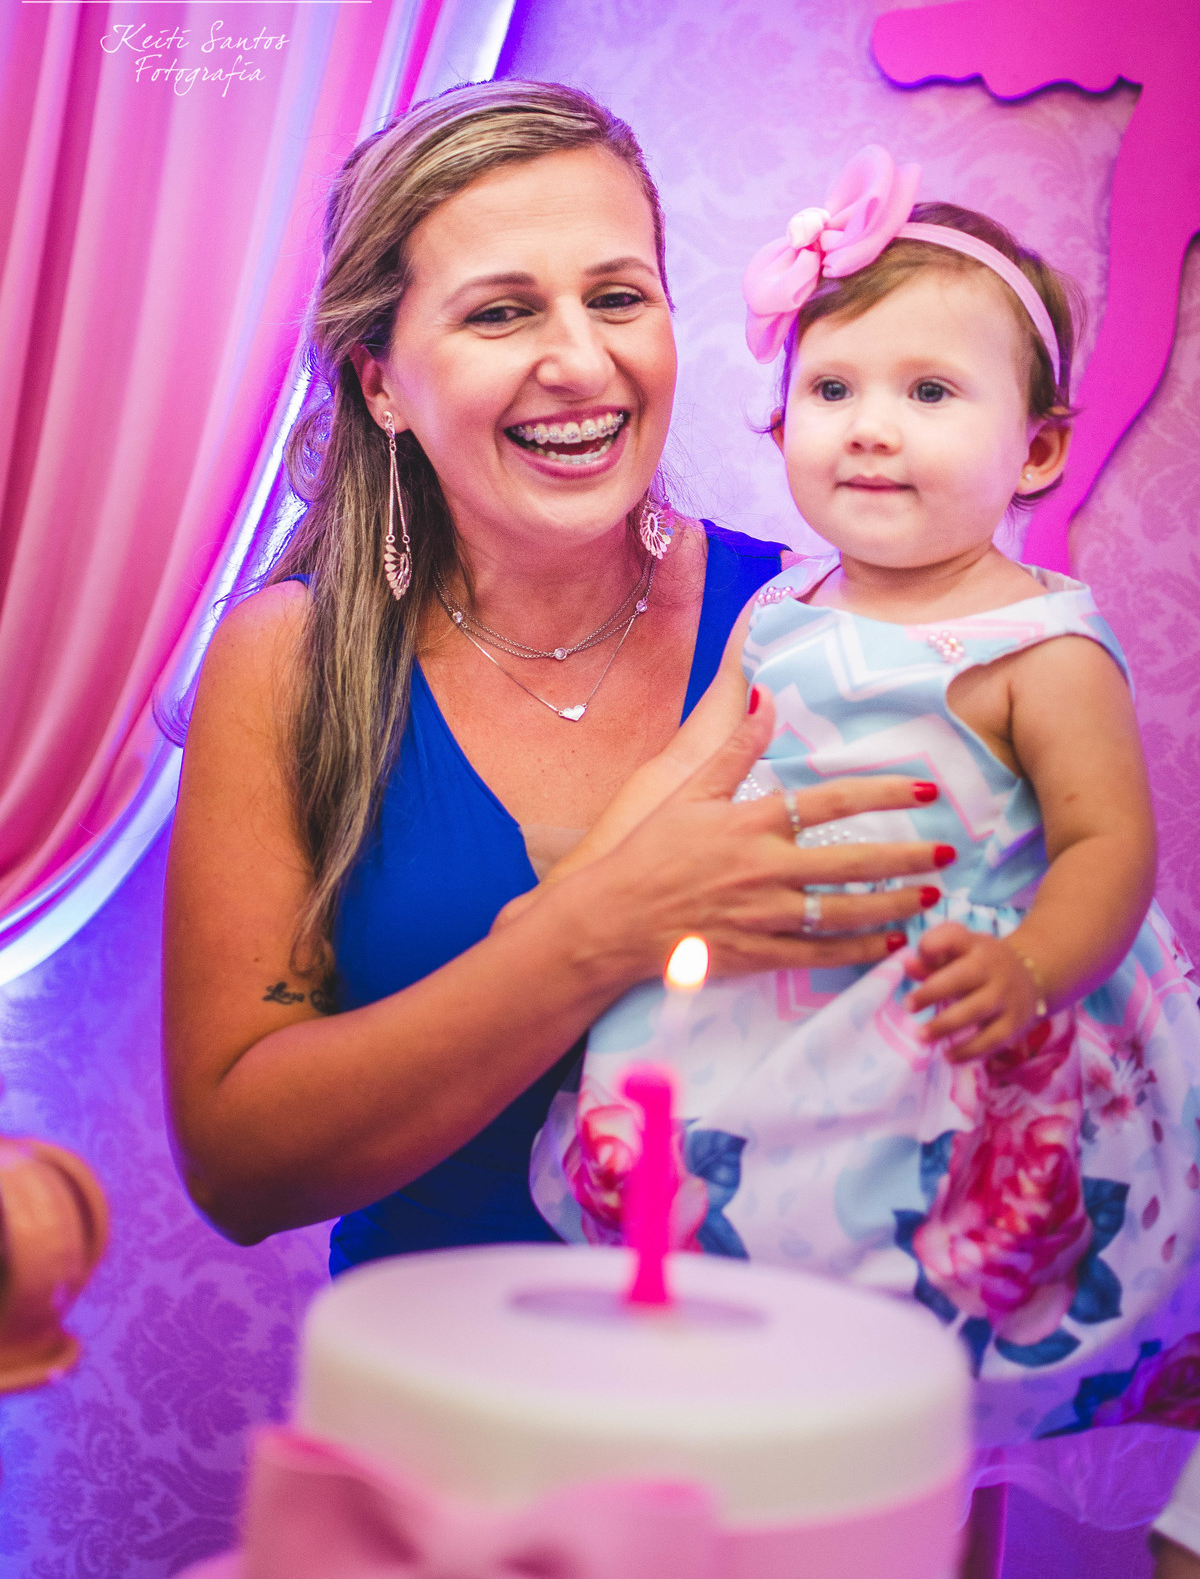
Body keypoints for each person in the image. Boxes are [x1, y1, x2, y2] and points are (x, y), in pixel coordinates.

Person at [529, 147, 1200, 1560]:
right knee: (740, 1348)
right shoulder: (783, 612)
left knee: (913, 1379)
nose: (872, 430)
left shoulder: (1042, 646)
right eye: (833, 391)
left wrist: (1030, 967)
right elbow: (691, 769)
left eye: (930, 393)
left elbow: (1107, 849)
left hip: (945, 1023)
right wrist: (577, 896)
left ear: (1036, 450)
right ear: (783, 425)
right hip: (763, 1001)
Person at [163, 86, 949, 1272]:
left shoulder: (810, 627)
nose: (583, 363)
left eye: (619, 298)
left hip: (780, 1362)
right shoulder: (289, 658)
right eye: (501, 313)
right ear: (380, 384)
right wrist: (603, 928)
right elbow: (239, 1170)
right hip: (441, 1369)